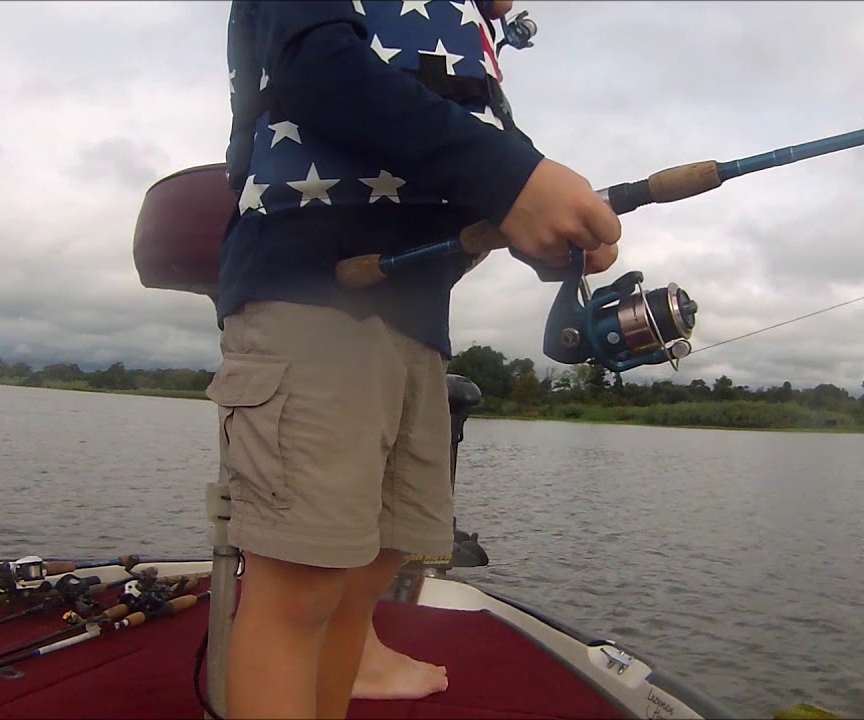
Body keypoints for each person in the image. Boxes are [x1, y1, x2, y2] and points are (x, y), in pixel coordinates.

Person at [206, 1, 622, 717]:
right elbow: (320, 71)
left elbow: (491, 160)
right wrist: (513, 179)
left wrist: (552, 232)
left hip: (419, 322)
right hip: (310, 293)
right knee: (301, 589)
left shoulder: (466, 28)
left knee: (363, 579)